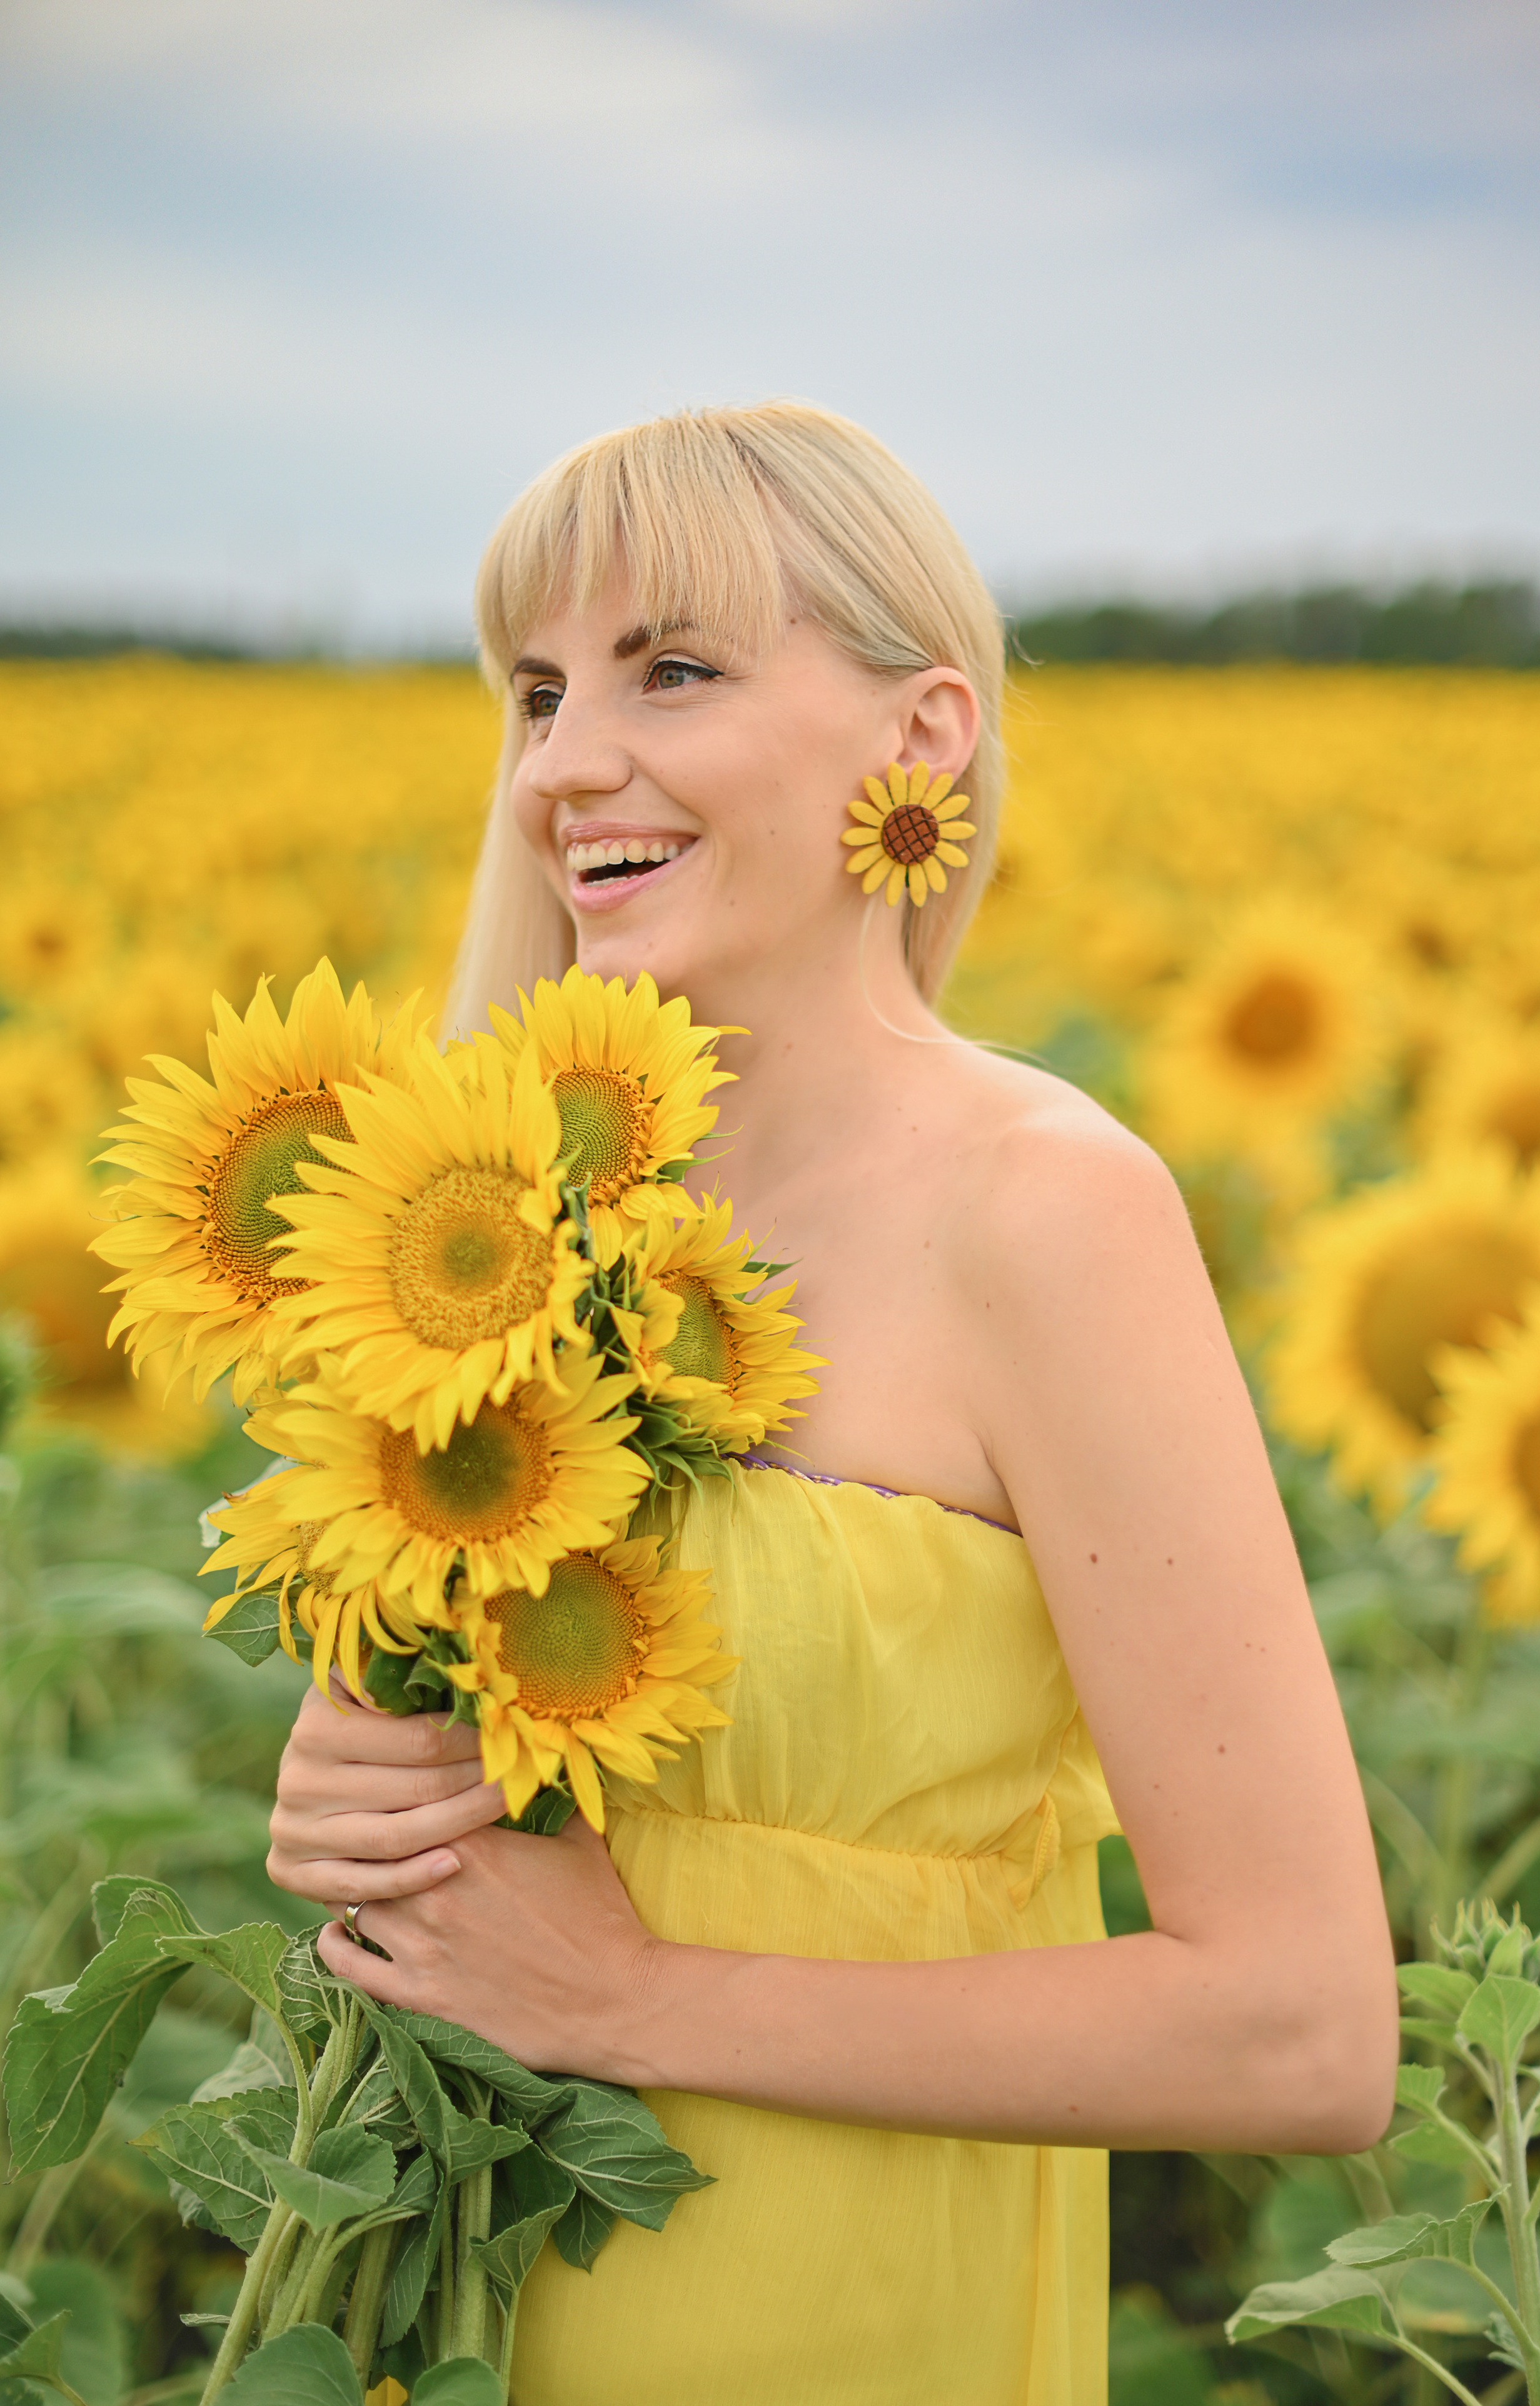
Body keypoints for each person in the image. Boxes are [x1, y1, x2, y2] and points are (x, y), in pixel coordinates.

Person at [265, 401, 1397, 2405]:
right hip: (459, 2313)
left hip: (848, 2316)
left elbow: (1300, 2033)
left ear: (923, 734)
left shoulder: (1044, 1213)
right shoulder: (515, 1211)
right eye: (538, 690)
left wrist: (643, 2001)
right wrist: (361, 1808)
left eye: (673, 669)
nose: (567, 762)